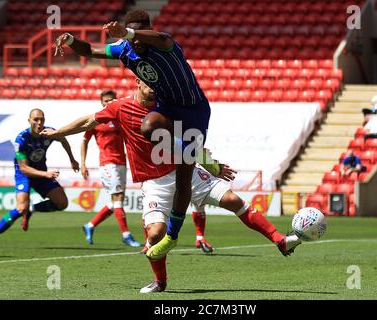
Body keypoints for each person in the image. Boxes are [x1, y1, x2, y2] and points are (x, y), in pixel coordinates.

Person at [40, 78, 302, 293]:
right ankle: (161, 282)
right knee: (155, 235)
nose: (153, 87)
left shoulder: (168, 107)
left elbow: (189, 142)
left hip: (185, 171)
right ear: (137, 82)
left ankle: (279, 240)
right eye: (147, 82)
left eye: (157, 82)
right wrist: (57, 133)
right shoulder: (119, 108)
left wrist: (212, 165)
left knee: (234, 200)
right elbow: (88, 121)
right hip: (154, 184)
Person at [54, 9, 217, 259]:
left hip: (194, 110)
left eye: (139, 35)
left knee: (185, 177)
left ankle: (174, 231)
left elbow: (163, 38)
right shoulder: (123, 49)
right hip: (167, 109)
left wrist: (129, 32)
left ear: (145, 30)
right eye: (132, 38)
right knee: (148, 126)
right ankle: (171, 235)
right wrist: (71, 40)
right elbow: (90, 51)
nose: (136, 42)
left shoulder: (164, 45)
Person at [0, 109, 79, 249]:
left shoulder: (49, 132)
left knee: (62, 203)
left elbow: (63, 138)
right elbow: (23, 168)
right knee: (21, 208)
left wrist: (72, 159)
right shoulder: (21, 139)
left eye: (42, 120)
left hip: (41, 174)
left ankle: (32, 209)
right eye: (36, 119)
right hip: (25, 175)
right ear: (29, 120)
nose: (39, 123)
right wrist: (45, 174)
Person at [81, 90, 140, 247]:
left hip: (121, 162)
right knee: (118, 199)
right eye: (105, 100)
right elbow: (84, 141)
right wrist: (83, 163)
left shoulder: (120, 117)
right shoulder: (97, 119)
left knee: (116, 202)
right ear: (101, 102)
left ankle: (90, 225)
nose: (108, 103)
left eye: (111, 100)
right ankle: (126, 235)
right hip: (107, 163)